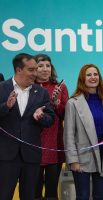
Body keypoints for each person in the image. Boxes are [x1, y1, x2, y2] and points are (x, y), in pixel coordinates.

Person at [0, 53, 55, 199]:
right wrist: (6, 107)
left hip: (31, 156)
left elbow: (51, 119)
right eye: (31, 70)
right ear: (18, 70)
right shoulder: (2, 88)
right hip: (5, 156)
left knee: (30, 196)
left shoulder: (41, 92)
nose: (35, 73)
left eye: (35, 69)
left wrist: (41, 116)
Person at [63, 64, 103, 200]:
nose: (93, 77)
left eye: (95, 74)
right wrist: (73, 160)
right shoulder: (72, 103)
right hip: (82, 157)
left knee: (100, 196)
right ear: (82, 79)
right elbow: (68, 135)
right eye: (89, 75)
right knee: (83, 196)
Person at [34, 54, 69, 200]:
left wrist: (56, 103)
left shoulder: (60, 87)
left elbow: (66, 115)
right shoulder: (29, 87)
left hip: (54, 143)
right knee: (34, 192)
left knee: (52, 192)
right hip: (33, 145)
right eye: (40, 66)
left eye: (47, 66)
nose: (45, 69)